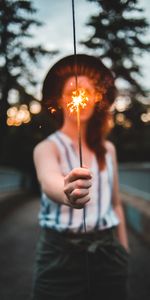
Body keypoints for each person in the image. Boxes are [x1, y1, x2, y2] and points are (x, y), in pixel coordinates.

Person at [31, 54, 130, 300]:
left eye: (87, 91)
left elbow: (115, 204)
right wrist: (67, 192)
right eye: (73, 92)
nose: (81, 98)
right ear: (62, 100)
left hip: (108, 252)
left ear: (97, 99)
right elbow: (49, 181)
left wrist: (123, 248)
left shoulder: (107, 149)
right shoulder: (47, 148)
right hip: (60, 256)